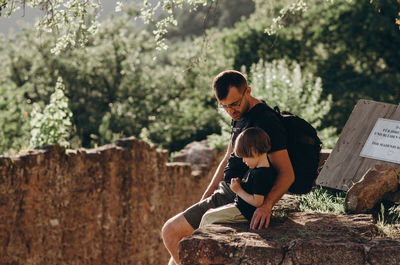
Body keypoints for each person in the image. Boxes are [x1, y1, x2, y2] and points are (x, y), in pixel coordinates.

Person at [162, 70, 294, 265]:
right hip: (224, 192)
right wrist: (208, 192)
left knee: (170, 232)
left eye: (234, 104)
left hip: (236, 198)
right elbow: (228, 157)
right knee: (175, 258)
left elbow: (287, 173)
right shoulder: (239, 115)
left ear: (247, 91)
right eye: (224, 106)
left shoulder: (266, 121)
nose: (231, 111)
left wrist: (267, 206)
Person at [199, 127, 277, 227]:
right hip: (240, 208)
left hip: (244, 212)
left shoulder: (261, 174)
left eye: (244, 157)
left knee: (208, 217)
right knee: (209, 212)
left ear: (254, 151)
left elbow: (258, 202)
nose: (243, 161)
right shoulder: (257, 169)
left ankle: (200, 241)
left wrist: (238, 190)